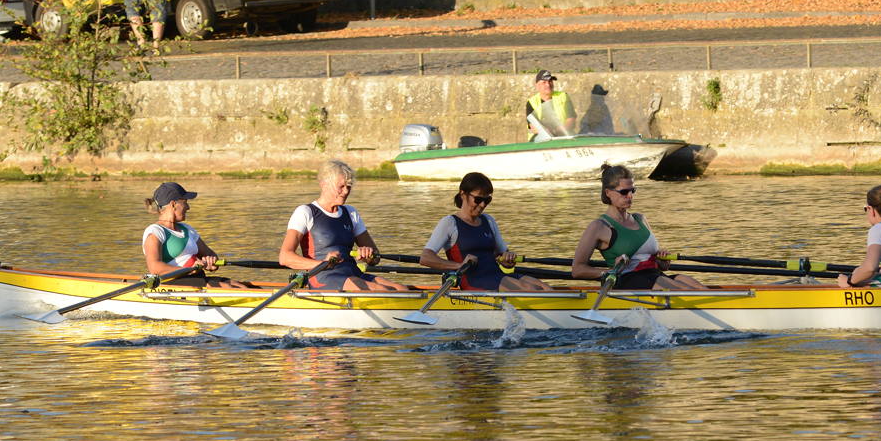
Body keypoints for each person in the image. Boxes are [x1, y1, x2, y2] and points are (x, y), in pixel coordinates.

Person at [279, 160, 408, 291]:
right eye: (341, 186)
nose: (346, 191)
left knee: (402, 290)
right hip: (324, 279)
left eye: (349, 186)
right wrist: (323, 264)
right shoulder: (305, 212)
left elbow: (375, 259)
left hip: (354, 273)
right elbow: (285, 257)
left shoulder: (351, 212)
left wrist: (368, 255)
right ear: (324, 185)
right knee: (383, 291)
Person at [572, 164, 705, 291]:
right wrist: (611, 271)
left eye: (633, 190)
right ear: (608, 192)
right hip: (628, 280)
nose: (630, 196)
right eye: (624, 192)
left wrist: (662, 261)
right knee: (685, 290)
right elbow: (577, 270)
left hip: (654, 276)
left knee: (701, 289)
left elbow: (660, 265)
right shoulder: (599, 226)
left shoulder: (640, 219)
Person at [419, 172, 551, 292]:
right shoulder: (449, 223)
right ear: (463, 194)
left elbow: (502, 255)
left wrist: (508, 259)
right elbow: (425, 258)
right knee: (529, 289)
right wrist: (459, 265)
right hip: (474, 282)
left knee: (545, 288)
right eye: (478, 199)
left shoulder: (488, 220)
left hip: (498, 275)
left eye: (487, 200)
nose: (483, 204)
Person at [142, 181, 247, 288]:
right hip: (173, 282)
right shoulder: (155, 231)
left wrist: (212, 261)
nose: (188, 207)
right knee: (228, 288)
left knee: (242, 286)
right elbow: (155, 268)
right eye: (185, 202)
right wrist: (187, 270)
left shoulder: (187, 229)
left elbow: (209, 253)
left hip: (197, 278)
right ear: (173, 204)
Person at [525, 69, 576, 139]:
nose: (548, 84)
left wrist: (558, 131)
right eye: (544, 82)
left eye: (550, 81)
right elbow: (531, 126)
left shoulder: (564, 96)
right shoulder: (531, 102)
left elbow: (571, 119)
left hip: (564, 135)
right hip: (540, 138)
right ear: (537, 85)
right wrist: (546, 132)